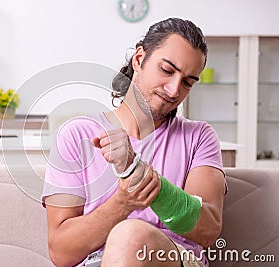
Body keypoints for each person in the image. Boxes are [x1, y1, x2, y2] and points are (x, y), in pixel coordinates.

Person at [42, 17, 226, 267]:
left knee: (130, 237)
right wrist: (123, 203)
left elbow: (208, 230)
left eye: (187, 82)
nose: (174, 91)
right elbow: (61, 253)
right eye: (167, 70)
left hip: (172, 259)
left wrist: (137, 173)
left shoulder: (198, 137)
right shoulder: (76, 135)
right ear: (139, 59)